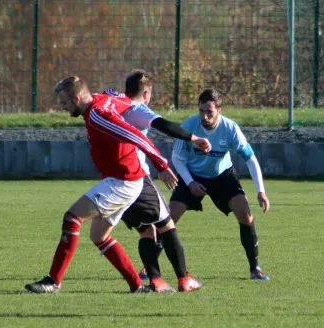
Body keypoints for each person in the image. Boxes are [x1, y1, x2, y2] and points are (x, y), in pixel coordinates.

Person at [25, 76, 178, 294]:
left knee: (72, 217)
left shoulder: (98, 115)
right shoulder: (102, 100)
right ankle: (137, 287)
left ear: (77, 98)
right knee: (99, 236)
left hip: (123, 181)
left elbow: (138, 137)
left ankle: (53, 281)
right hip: (122, 179)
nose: (63, 107)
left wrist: (161, 165)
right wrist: (115, 95)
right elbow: (124, 101)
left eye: (65, 103)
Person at [105, 69, 210, 292]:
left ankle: (156, 280)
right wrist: (194, 138)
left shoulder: (112, 104)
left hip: (113, 181)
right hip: (137, 179)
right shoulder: (137, 108)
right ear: (146, 94)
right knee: (167, 225)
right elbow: (164, 125)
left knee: (146, 231)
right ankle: (184, 279)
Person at [168, 88, 271, 280]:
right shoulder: (189, 126)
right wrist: (190, 183)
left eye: (210, 112)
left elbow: (251, 159)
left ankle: (255, 269)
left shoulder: (230, 129)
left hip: (222, 175)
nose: (204, 117)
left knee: (246, 215)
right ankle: (148, 268)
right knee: (168, 218)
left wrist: (261, 191)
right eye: (201, 111)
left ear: (219, 111)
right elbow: (177, 158)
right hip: (192, 175)